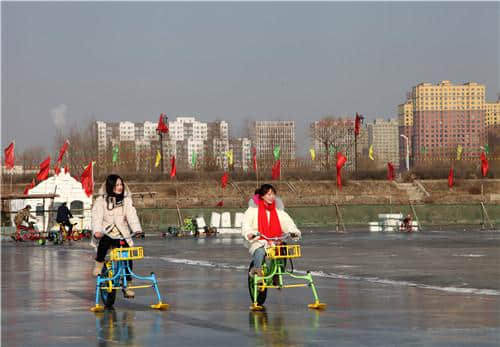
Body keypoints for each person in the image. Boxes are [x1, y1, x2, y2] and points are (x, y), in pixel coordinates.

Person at [91, 174, 144, 298]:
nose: (120, 187)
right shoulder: (101, 200)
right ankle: (99, 264)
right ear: (110, 187)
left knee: (128, 255)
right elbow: (96, 217)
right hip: (106, 231)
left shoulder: (126, 200)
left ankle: (128, 285)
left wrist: (137, 230)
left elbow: (132, 215)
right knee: (104, 244)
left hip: (122, 234)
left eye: (121, 184)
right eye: (116, 185)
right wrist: (97, 231)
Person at [242, 184, 301, 279]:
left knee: (282, 249)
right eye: (268, 194)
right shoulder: (253, 209)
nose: (271, 197)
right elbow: (246, 223)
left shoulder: (277, 209)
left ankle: (278, 272)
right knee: (260, 251)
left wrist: (293, 231)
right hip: (258, 239)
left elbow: (287, 222)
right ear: (262, 196)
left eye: (273, 194)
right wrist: (249, 233)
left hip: (275, 239)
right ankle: (257, 270)